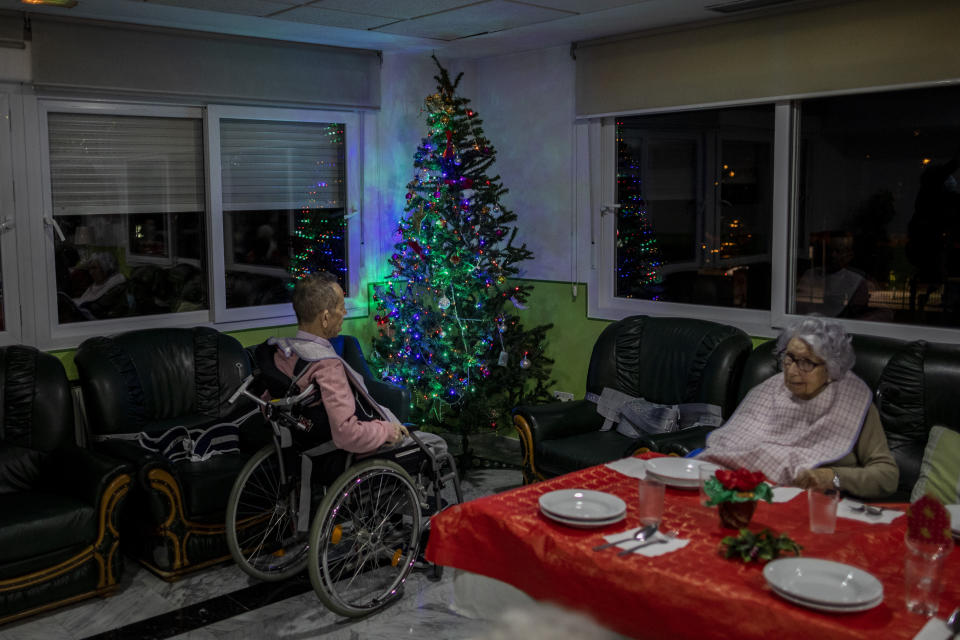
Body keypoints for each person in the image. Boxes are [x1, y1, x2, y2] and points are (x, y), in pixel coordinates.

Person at [698, 317, 898, 499]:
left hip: (809, 502)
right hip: (748, 491)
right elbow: (729, 446)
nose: (792, 371)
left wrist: (833, 477)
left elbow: (887, 477)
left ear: (831, 368)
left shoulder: (852, 402)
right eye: (790, 358)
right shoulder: (770, 389)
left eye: (806, 363)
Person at [269, 272, 408, 453]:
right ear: (325, 318)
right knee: (436, 444)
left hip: (304, 445)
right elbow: (347, 434)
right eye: (341, 307)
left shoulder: (283, 351)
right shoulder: (326, 365)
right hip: (351, 450)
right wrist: (387, 430)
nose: (344, 312)